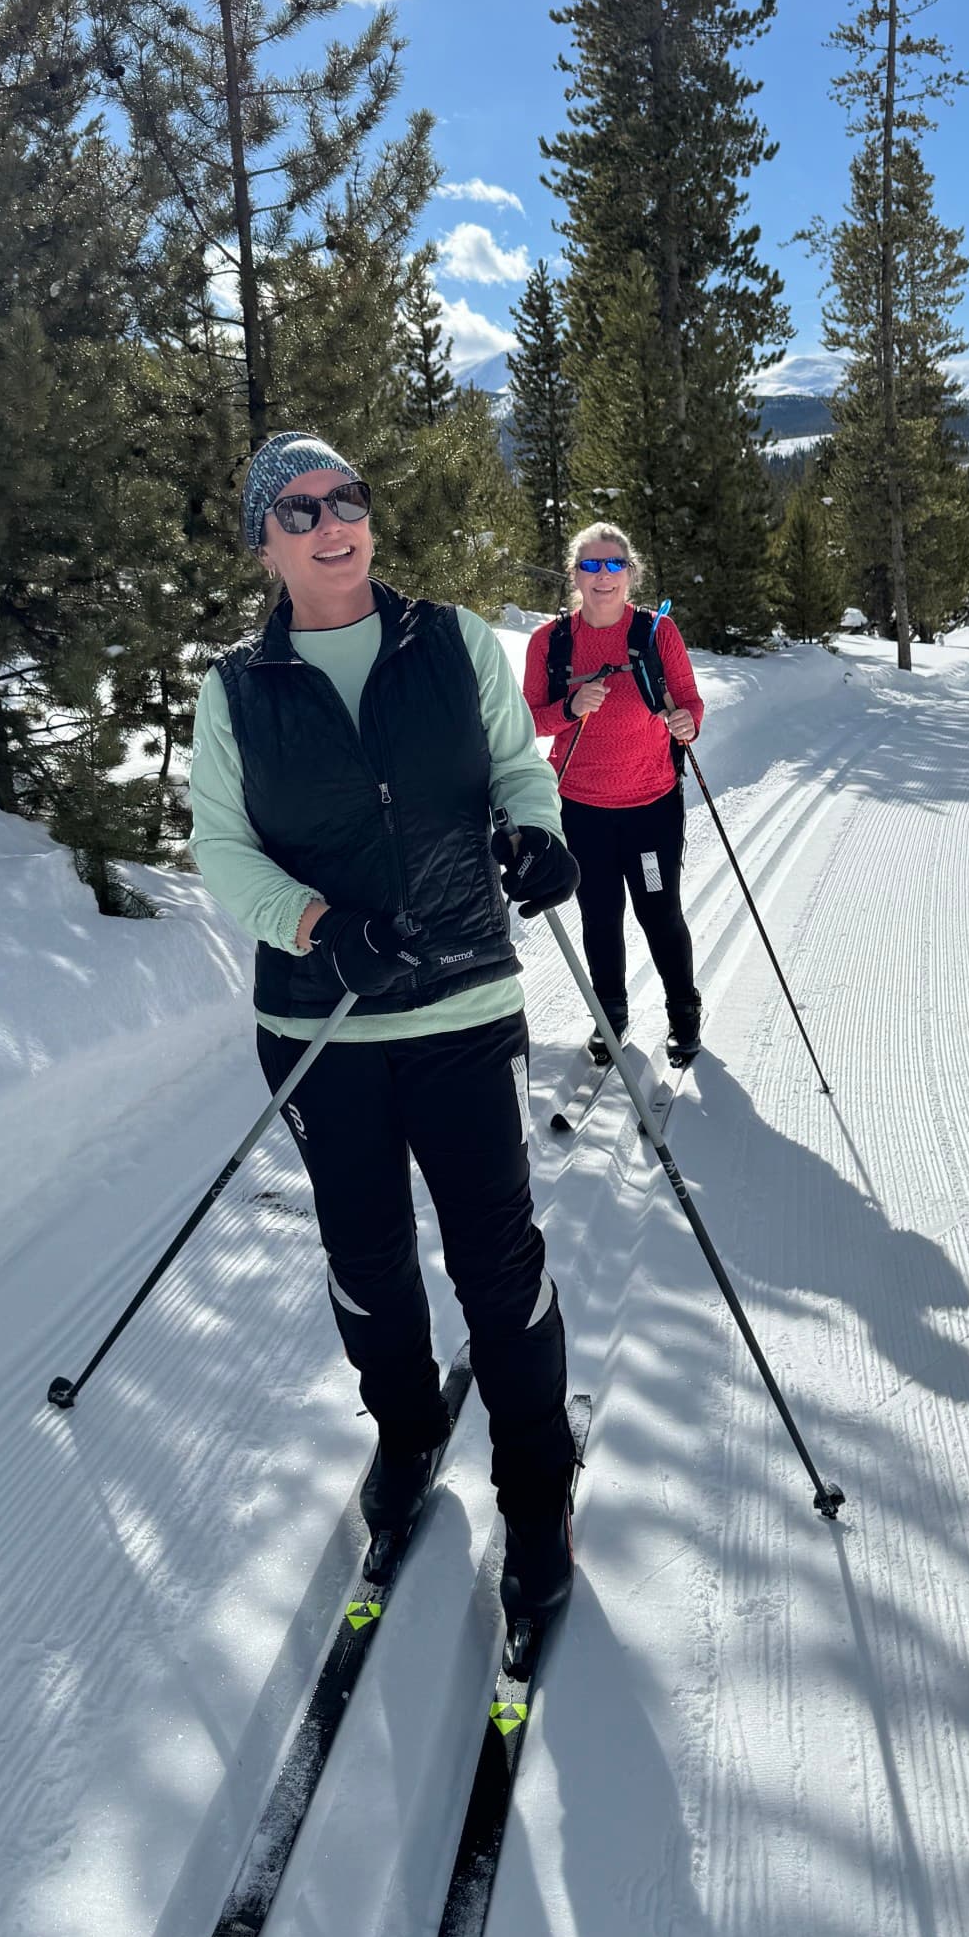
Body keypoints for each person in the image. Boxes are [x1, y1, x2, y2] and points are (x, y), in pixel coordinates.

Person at [189, 430, 584, 1627]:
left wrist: (536, 834)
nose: (330, 522)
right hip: (321, 1025)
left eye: (344, 497)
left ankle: (534, 1487)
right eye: (297, 509)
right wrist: (314, 925)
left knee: (493, 1255)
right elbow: (221, 846)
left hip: (464, 1001)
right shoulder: (236, 689)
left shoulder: (452, 640)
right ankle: (406, 1434)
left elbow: (518, 770)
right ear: (264, 542)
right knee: (364, 1260)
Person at [522, 523, 705, 1066]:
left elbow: (691, 702)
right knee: (599, 916)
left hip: (650, 808)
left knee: (658, 911)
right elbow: (529, 719)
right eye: (591, 566)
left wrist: (685, 724)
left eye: (613, 565)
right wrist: (570, 709)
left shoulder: (656, 634)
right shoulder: (550, 643)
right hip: (581, 812)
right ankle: (611, 1017)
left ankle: (683, 1012)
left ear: (630, 573)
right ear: (575, 575)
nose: (603, 577)